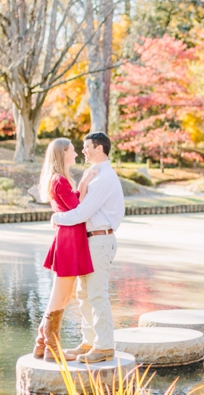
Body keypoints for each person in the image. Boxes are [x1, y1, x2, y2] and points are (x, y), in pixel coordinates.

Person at [52, 132, 125, 364]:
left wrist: (57, 218)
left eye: (86, 147)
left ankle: (104, 347)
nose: (83, 151)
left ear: (100, 149)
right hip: (89, 240)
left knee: (96, 294)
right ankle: (88, 341)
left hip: (100, 240)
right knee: (84, 295)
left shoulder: (105, 178)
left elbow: (82, 213)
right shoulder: (94, 175)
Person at [33, 138, 96, 362]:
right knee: (61, 296)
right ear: (63, 153)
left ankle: (42, 345)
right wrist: (85, 183)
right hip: (69, 240)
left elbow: (73, 203)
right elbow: (78, 209)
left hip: (70, 238)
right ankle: (52, 349)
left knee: (62, 295)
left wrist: (82, 184)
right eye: (72, 150)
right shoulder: (59, 180)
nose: (77, 153)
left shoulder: (60, 179)